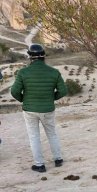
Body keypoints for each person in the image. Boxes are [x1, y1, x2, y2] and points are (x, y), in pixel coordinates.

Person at [11, 44, 67, 173]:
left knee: (34, 136)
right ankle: (58, 159)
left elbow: (14, 91)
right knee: (52, 134)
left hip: (29, 110)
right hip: (48, 109)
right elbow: (63, 91)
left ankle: (39, 165)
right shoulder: (54, 72)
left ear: (30, 57)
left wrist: (23, 99)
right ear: (44, 56)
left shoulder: (23, 72)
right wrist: (51, 98)